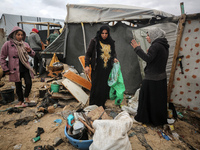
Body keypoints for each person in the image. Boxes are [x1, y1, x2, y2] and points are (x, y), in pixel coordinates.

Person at [130, 27, 169, 126]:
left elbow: (148, 59)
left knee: (146, 99)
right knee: (157, 101)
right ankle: (156, 120)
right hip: (160, 78)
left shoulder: (155, 46)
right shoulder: (163, 45)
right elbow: (155, 60)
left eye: (148, 35)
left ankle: (144, 118)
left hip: (152, 79)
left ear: (154, 35)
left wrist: (137, 48)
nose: (147, 37)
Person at [84, 25, 118, 109]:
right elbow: (88, 54)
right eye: (102, 33)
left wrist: (115, 59)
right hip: (97, 69)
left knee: (105, 88)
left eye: (106, 33)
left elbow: (113, 53)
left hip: (107, 69)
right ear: (100, 33)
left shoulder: (111, 42)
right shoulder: (94, 41)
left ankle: (101, 105)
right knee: (95, 87)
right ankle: (92, 106)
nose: (104, 35)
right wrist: (87, 65)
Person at [0, 26, 35, 106]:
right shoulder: (8, 44)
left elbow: (33, 54)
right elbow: (2, 57)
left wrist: (30, 51)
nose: (20, 37)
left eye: (21, 35)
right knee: (18, 86)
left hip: (25, 67)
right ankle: (20, 100)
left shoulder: (25, 44)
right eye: (18, 35)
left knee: (29, 83)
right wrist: (5, 69)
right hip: (15, 68)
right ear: (13, 35)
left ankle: (26, 97)